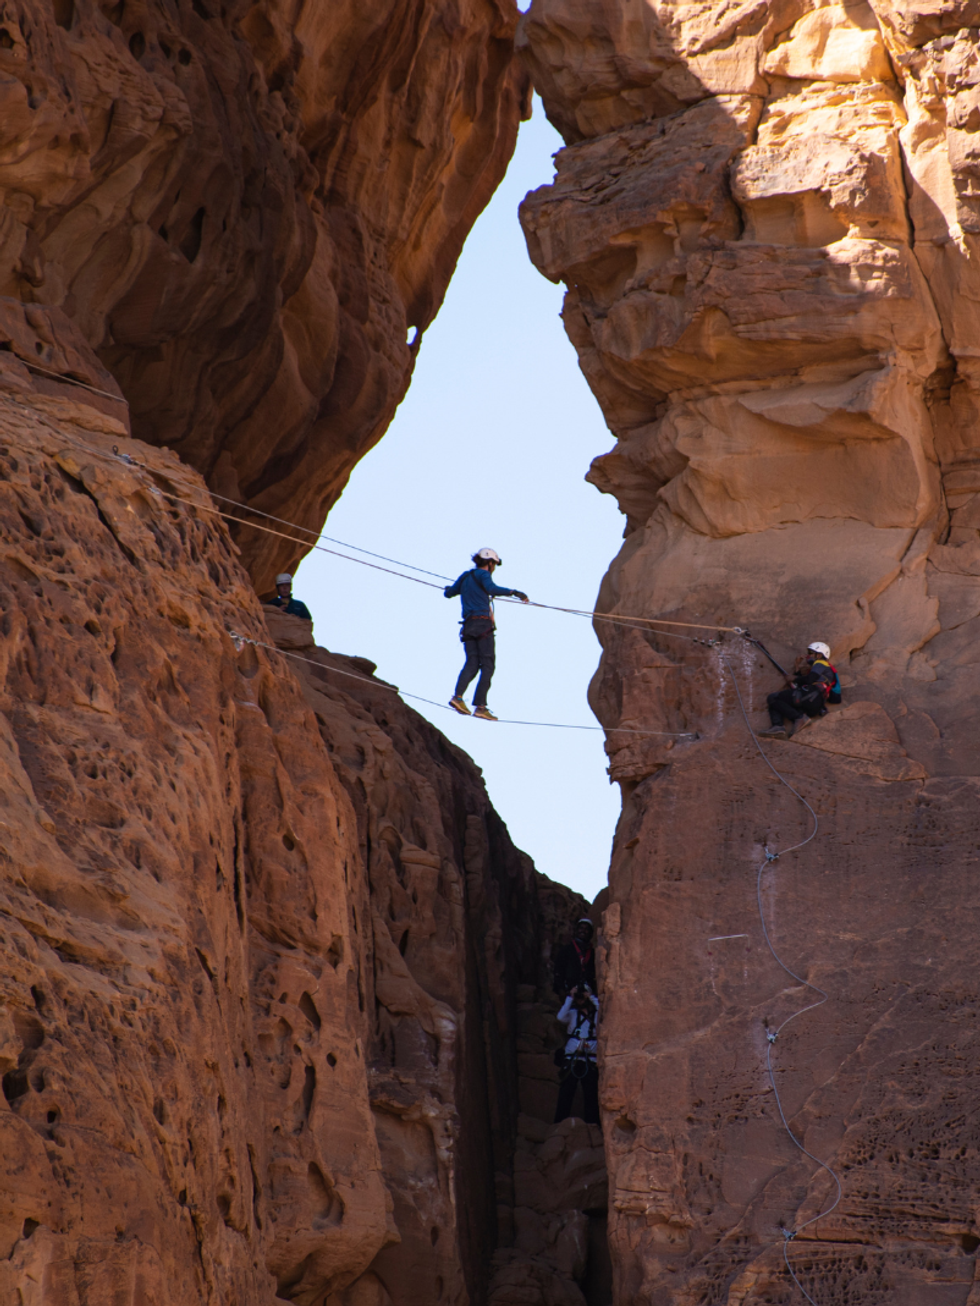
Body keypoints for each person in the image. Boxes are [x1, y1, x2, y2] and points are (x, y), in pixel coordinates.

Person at [444, 548, 529, 721]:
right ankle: (480, 707)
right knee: (488, 666)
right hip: (482, 624)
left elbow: (449, 593)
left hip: (468, 626)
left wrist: (450, 588)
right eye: (494, 564)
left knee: (472, 663)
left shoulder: (465, 576)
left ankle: (457, 697)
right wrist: (514, 592)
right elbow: (492, 588)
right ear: (490, 563)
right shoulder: (483, 575)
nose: (494, 568)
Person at [760, 641, 840, 739]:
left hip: (810, 696)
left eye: (811, 653)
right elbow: (801, 684)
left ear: (819, 655)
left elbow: (809, 680)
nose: (808, 656)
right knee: (777, 702)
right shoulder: (820, 669)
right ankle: (787, 723)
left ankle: (790, 721)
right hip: (814, 702)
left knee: (773, 698)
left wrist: (793, 678)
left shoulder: (820, 663)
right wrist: (797, 666)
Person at [554, 985, 600, 1125]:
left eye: (582, 996)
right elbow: (560, 1017)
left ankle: (592, 1125)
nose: (580, 999)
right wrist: (570, 996)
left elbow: (604, 1014)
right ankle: (559, 1124)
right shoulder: (572, 1014)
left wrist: (590, 997)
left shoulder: (596, 1015)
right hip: (572, 1059)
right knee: (566, 1092)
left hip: (590, 1059)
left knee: (591, 1094)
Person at [553, 918, 597, 997]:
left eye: (586, 929)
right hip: (570, 990)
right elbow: (558, 970)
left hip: (588, 991)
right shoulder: (566, 950)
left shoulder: (593, 953)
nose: (583, 931)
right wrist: (561, 989)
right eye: (581, 928)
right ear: (576, 931)